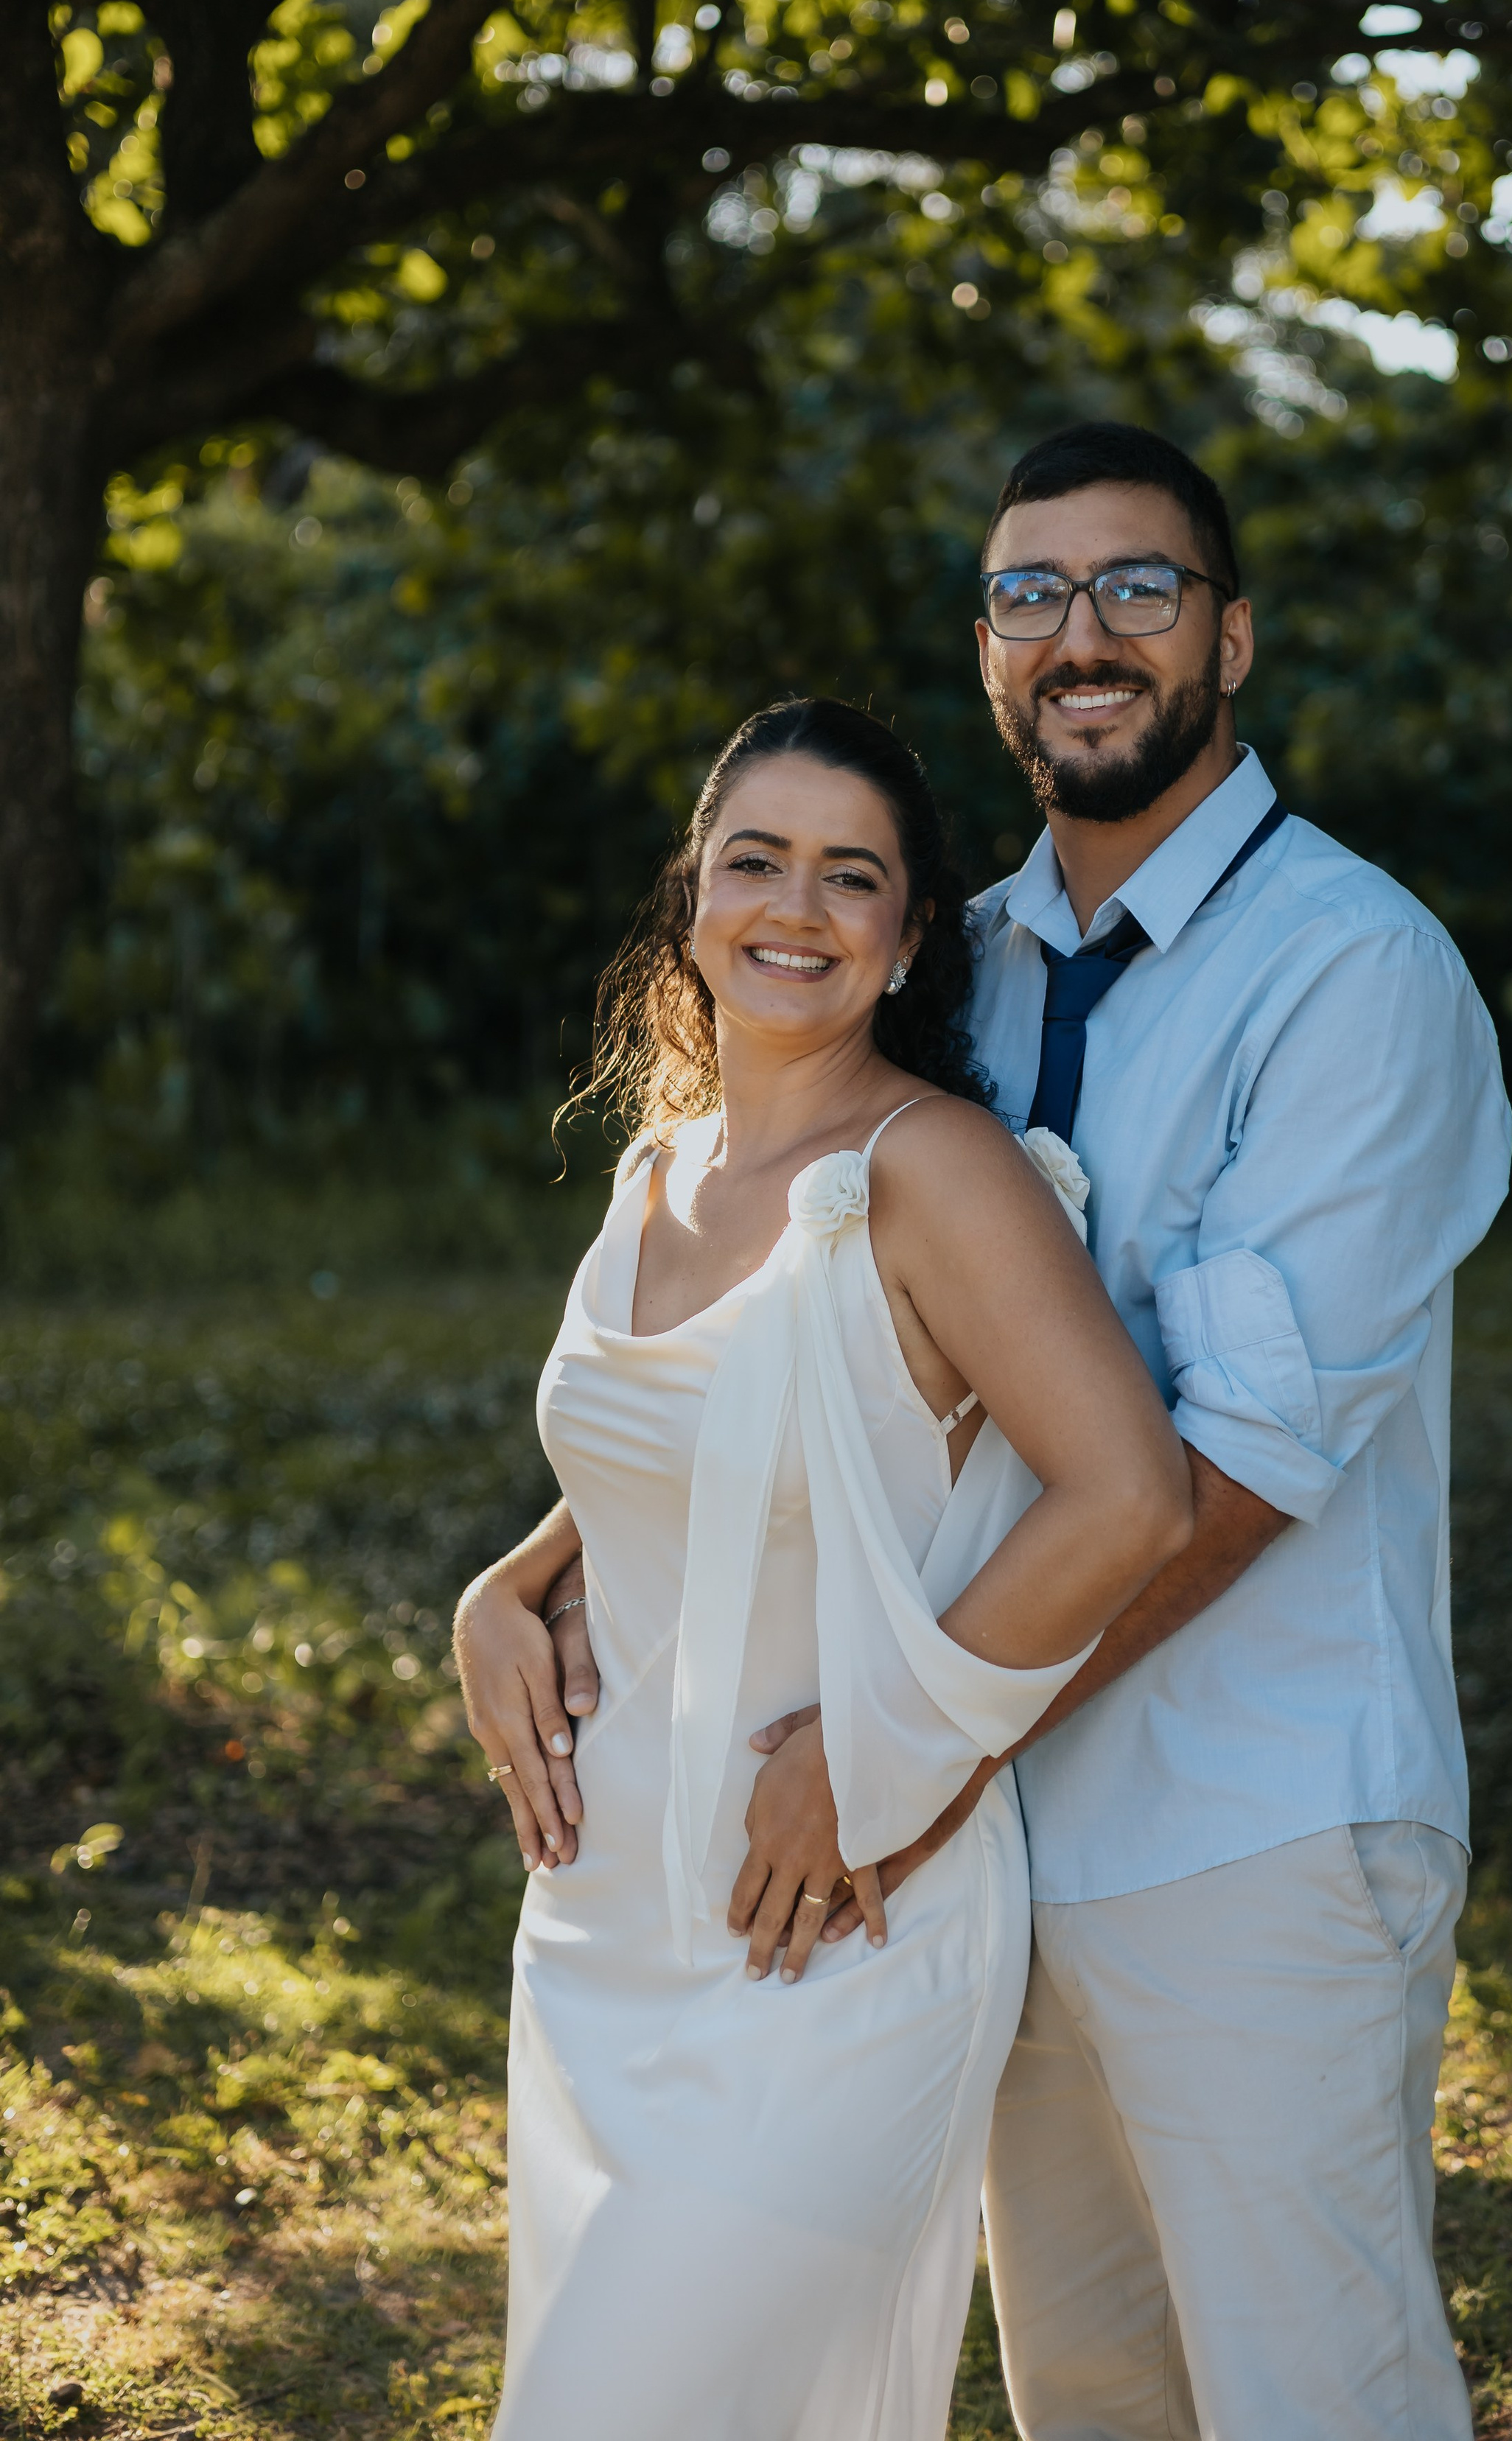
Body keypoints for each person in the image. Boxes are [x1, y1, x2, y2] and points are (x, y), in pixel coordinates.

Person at [478, 420, 1512, 2439]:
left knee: (1316, 2391)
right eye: (1034, 593)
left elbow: (1224, 1477)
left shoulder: (1356, 974)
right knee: (1092, 2399)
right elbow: (832, 1352)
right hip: (992, 1850)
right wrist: (535, 1564)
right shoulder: (966, 954)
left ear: (1234, 639)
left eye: (1141, 586)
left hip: (1253, 1821)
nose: (1086, 632)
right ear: (988, 652)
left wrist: (902, 1744)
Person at [452, 696, 1192, 2441]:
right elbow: (679, 1465)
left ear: (909, 932)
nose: (793, 906)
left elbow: (1128, 1498)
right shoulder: (657, 1168)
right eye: (754, 859)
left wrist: (876, 1756)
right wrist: (504, 1584)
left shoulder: (933, 1171)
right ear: (693, 892)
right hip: (604, 1933)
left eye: (848, 876)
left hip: (833, 1941)